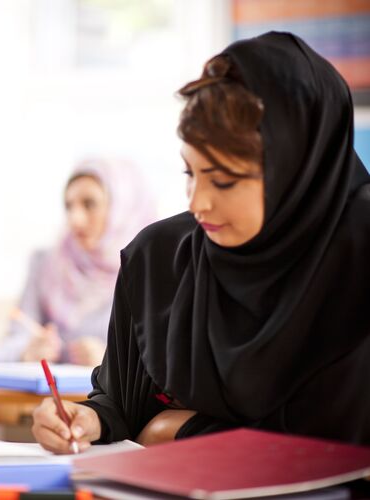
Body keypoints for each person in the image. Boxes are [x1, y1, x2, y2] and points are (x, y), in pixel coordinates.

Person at [32, 32, 370, 452]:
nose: (198, 204)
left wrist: (170, 431)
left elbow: (336, 439)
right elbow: (122, 404)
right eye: (190, 173)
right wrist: (90, 419)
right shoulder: (158, 261)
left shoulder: (357, 259)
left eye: (224, 180)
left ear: (298, 172)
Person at [0, 159, 155, 367]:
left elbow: (164, 364)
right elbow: (2, 351)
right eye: (69, 206)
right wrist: (27, 350)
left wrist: (112, 361)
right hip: (52, 398)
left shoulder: (147, 273)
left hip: (115, 400)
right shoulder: (45, 263)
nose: (75, 219)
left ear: (122, 208)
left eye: (89, 204)